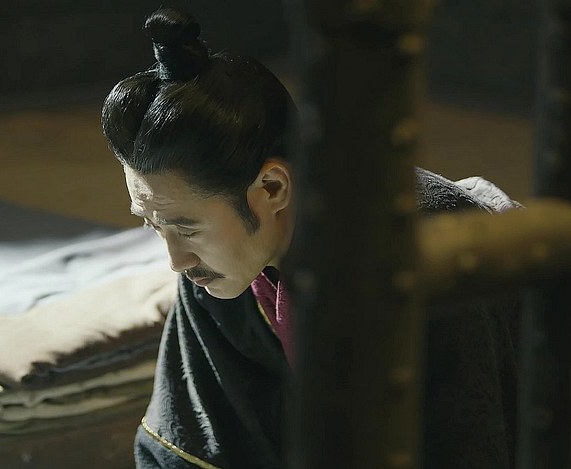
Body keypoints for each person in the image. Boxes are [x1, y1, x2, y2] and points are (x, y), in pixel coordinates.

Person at [101, 8, 519, 469]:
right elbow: (192, 445)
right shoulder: (214, 269)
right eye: (153, 225)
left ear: (271, 188)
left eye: (186, 228)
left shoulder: (414, 249)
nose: (175, 259)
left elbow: (466, 437)